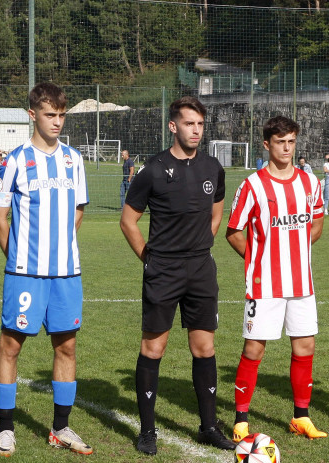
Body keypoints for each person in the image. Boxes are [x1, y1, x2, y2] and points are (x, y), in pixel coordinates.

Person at [120, 96, 235, 455]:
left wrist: (200, 245)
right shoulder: (153, 170)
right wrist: (149, 259)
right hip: (163, 269)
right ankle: (148, 431)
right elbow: (128, 220)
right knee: (154, 347)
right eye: (189, 124)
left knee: (205, 348)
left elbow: (217, 214)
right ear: (173, 126)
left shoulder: (213, 168)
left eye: (200, 124)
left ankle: (208, 427)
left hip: (201, 268)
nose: (196, 130)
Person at [0, 82, 92, 457]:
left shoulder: (74, 159)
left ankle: (61, 428)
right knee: (10, 345)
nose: (57, 122)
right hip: (25, 274)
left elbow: (78, 211)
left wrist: (59, 248)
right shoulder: (14, 160)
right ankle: (5, 429)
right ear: (32, 114)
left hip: (67, 273)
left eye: (62, 115)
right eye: (50, 114)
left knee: (66, 346)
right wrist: (18, 255)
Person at [226, 116, 327, 443]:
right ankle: (241, 419)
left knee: (305, 346)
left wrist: (295, 250)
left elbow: (318, 222)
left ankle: (301, 417)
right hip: (264, 285)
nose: (286, 148)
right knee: (255, 349)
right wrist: (260, 260)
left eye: (291, 141)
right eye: (280, 142)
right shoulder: (252, 185)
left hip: (301, 283)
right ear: (267, 144)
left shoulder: (310, 183)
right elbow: (234, 232)